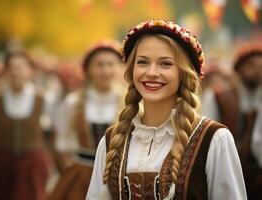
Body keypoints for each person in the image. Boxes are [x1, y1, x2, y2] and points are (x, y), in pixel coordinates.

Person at [87, 19, 247, 200]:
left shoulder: (214, 139)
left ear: (183, 73)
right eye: (142, 62)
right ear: (132, 69)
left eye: (165, 64)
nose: (152, 72)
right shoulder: (111, 141)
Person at [0, 51, 52, 200]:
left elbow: (58, 127)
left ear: (30, 71)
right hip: (1, 165)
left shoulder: (42, 98)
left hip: (31, 166)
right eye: (12, 68)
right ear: (6, 72)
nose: (16, 73)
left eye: (21, 68)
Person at [48, 41, 123, 199]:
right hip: (81, 175)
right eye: (99, 65)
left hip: (117, 175)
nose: (105, 70)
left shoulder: (129, 103)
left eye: (111, 64)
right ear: (88, 69)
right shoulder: (73, 102)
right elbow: (62, 141)